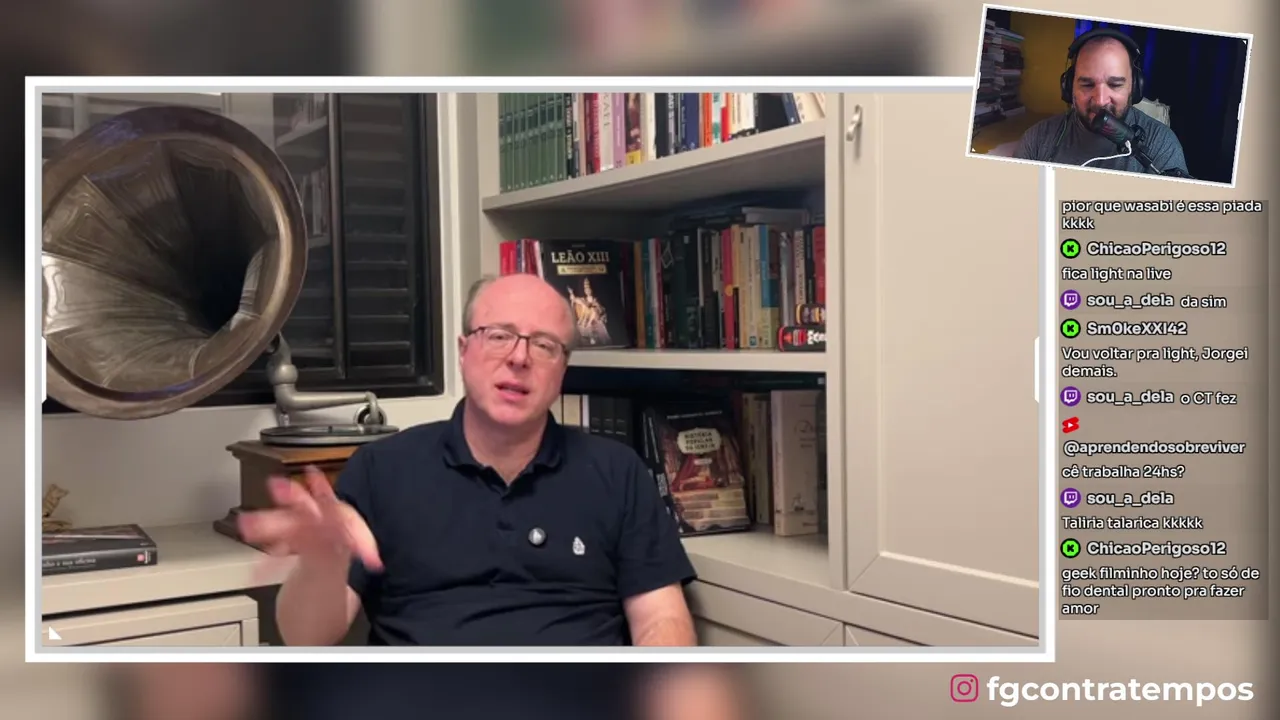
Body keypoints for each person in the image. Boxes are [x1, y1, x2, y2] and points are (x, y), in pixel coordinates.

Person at [239, 273, 698, 647]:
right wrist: (321, 564)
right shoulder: (381, 469)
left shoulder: (618, 472)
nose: (519, 358)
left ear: (563, 369)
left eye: (544, 345)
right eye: (499, 336)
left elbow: (661, 620)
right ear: (463, 352)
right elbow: (306, 638)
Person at [1012, 27, 1189, 176]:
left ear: (1134, 88)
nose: (1101, 101)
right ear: (1069, 87)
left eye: (1115, 85)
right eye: (1087, 84)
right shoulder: (1035, 141)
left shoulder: (1161, 144)